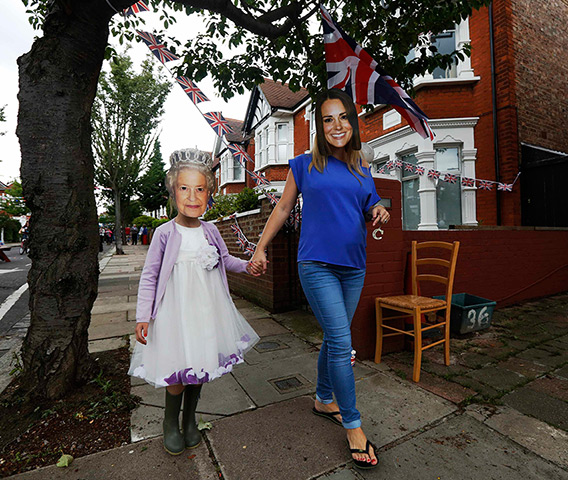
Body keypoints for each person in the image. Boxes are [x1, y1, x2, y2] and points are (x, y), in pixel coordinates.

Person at [250, 89, 389, 470]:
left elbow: (369, 203)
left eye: (343, 117)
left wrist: (379, 210)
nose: (336, 125)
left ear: (353, 122)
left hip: (354, 266)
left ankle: (324, 398)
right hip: (316, 265)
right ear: (320, 126)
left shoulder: (362, 167)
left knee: (334, 335)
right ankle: (355, 426)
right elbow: (282, 208)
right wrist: (260, 248)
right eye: (328, 119)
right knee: (342, 341)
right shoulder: (304, 165)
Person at [128, 148, 261, 456]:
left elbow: (224, 260)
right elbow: (149, 277)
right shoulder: (164, 233)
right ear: (173, 193)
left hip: (205, 311)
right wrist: (143, 317)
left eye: (199, 189)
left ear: (209, 193)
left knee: (199, 366)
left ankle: (190, 421)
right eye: (184, 188)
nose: (192, 196)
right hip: (175, 313)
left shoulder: (211, 230)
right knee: (178, 370)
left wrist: (248, 265)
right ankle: (170, 422)